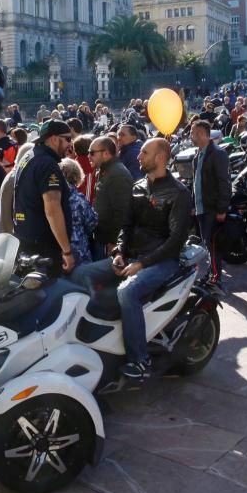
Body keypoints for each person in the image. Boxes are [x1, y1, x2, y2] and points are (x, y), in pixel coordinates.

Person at [69, 139, 192, 379]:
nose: (138, 156)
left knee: (127, 292)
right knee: (80, 273)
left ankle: (140, 360)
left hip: (161, 260)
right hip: (131, 257)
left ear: (159, 158)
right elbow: (126, 226)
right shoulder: (138, 186)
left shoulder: (179, 193)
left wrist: (141, 264)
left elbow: (176, 241)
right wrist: (118, 254)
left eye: (144, 153)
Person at [12, 120, 75, 276]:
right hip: (43, 245)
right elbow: (52, 209)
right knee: (49, 295)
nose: (70, 143)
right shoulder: (47, 164)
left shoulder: (29, 156)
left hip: (26, 237)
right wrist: (66, 251)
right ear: (53, 139)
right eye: (67, 138)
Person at [190, 123, 230, 286]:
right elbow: (196, 182)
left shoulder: (218, 154)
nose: (193, 136)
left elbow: (224, 183)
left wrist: (222, 208)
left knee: (213, 245)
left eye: (196, 133)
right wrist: (194, 205)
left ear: (205, 135)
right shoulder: (197, 155)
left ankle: (215, 278)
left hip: (212, 208)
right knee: (207, 242)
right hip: (201, 207)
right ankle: (212, 272)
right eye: (192, 133)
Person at [89, 136, 133, 260]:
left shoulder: (117, 174)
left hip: (108, 241)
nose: (89, 156)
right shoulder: (105, 170)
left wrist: (114, 242)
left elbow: (123, 212)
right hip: (101, 237)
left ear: (106, 154)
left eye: (92, 153)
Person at [59, 157, 99, 265]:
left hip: (58, 252)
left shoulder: (52, 197)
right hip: (79, 252)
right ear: (77, 175)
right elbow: (92, 222)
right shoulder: (78, 199)